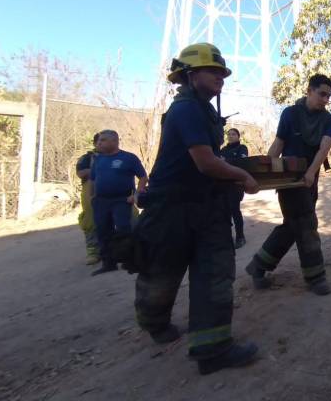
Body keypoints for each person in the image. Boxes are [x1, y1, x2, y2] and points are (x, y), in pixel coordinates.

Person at [133, 43, 260, 375]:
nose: (220, 77)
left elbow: (209, 162)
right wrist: (242, 176)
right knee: (163, 271)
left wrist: (229, 177)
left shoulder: (200, 109)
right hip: (173, 209)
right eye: (213, 71)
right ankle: (158, 325)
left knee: (213, 274)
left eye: (222, 72)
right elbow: (205, 162)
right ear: (189, 75)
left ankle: (211, 348)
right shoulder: (187, 109)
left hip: (202, 207)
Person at [245, 74, 331, 296]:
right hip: (288, 181)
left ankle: (258, 265)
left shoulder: (329, 120)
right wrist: (263, 175)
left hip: (309, 178)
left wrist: (310, 174)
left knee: (293, 225)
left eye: (328, 96)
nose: (325, 99)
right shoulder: (290, 114)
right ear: (309, 91)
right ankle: (315, 277)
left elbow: (324, 149)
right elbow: (278, 144)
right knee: (306, 224)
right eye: (321, 94)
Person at [90, 130, 148, 276]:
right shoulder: (98, 159)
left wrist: (136, 194)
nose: (99, 143)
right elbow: (93, 179)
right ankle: (108, 263)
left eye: (103, 140)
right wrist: (92, 196)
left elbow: (142, 176)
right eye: (99, 140)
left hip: (121, 200)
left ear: (114, 142)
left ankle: (130, 260)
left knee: (123, 229)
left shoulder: (128, 158)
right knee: (102, 230)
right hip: (101, 201)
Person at [219, 128, 249, 249]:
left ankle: (240, 237)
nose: (230, 136)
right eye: (229, 134)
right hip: (222, 184)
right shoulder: (223, 150)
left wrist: (226, 161)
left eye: (233, 134)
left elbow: (242, 162)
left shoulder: (242, 148)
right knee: (224, 211)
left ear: (238, 136)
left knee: (234, 210)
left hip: (236, 184)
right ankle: (226, 237)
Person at [76, 133, 101, 265]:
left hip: (116, 192)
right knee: (91, 220)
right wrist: (99, 169)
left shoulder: (121, 156)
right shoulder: (87, 158)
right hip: (91, 191)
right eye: (101, 141)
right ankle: (93, 251)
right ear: (95, 143)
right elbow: (80, 173)